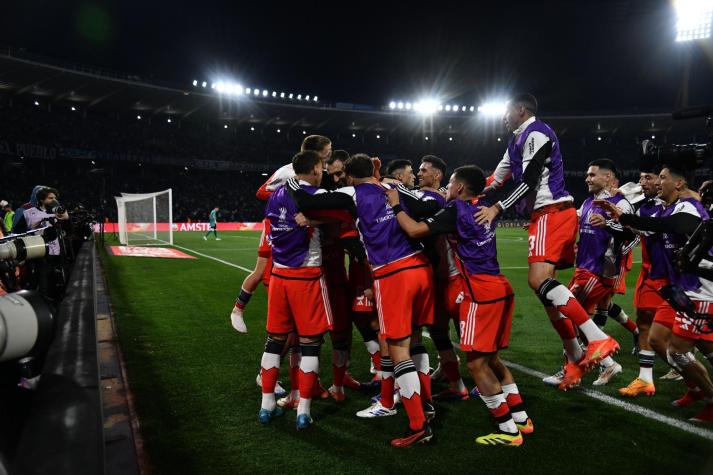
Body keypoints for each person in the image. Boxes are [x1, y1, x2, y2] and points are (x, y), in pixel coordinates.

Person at [286, 154, 441, 447]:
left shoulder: (351, 192)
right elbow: (430, 204)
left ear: (349, 176)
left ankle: (418, 424)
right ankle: (427, 404)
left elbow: (307, 202)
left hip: (393, 273)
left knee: (397, 348)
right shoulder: (391, 186)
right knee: (416, 339)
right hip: (422, 268)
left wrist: (292, 181)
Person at [475, 93, 619, 389]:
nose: (502, 116)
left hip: (551, 212)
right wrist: (463, 192)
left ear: (521, 109)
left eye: (506, 110)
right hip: (548, 214)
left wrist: (496, 208)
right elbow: (496, 179)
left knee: (537, 280)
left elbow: (527, 180)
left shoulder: (536, 133)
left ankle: (599, 340)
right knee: (546, 295)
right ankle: (577, 361)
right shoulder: (515, 140)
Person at [386, 165, 532, 446]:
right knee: (492, 359)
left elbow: (416, 230)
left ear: (461, 188)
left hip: (480, 293)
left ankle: (507, 431)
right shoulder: (485, 206)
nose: (447, 189)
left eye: (451, 184)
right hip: (501, 286)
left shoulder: (456, 211)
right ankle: (521, 419)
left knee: (477, 365)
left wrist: (395, 205)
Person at [598, 164, 713, 422]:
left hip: (702, 289)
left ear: (679, 183)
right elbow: (650, 228)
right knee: (663, 342)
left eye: (661, 178)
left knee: (683, 351)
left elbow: (674, 225)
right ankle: (698, 390)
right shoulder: (666, 208)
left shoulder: (687, 208)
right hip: (681, 290)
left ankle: (708, 398)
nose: (656, 183)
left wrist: (626, 217)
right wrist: (619, 217)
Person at [257, 150, 333, 430]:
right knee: (310, 344)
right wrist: (317, 221)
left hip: (278, 275)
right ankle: (303, 411)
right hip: (307, 275)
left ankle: (266, 407)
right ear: (315, 168)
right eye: (322, 166)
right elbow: (341, 216)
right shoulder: (314, 194)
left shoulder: (277, 193)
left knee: (274, 342)